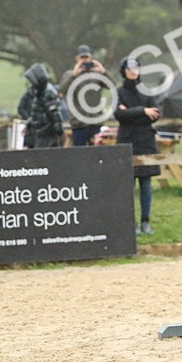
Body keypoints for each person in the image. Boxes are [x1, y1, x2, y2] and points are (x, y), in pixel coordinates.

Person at [114, 57, 162, 235]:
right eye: (129, 68)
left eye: (136, 68)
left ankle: (145, 221)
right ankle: (130, 223)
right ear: (124, 71)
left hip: (146, 141)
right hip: (127, 140)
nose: (133, 71)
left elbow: (156, 113)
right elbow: (119, 114)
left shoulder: (147, 92)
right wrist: (142, 111)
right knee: (128, 184)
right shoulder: (119, 92)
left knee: (146, 182)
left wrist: (130, 111)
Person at [58, 45, 108, 147]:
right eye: (82, 58)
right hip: (79, 123)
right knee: (80, 154)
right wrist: (74, 74)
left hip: (95, 121)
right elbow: (62, 90)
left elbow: (111, 85)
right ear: (76, 58)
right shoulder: (70, 74)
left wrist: (103, 72)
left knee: (98, 154)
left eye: (87, 58)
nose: (85, 60)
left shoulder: (96, 75)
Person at [18, 63, 63, 149]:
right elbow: (37, 113)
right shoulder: (40, 92)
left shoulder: (48, 93)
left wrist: (59, 131)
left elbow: (55, 114)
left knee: (41, 158)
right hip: (42, 132)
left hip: (47, 133)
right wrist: (29, 125)